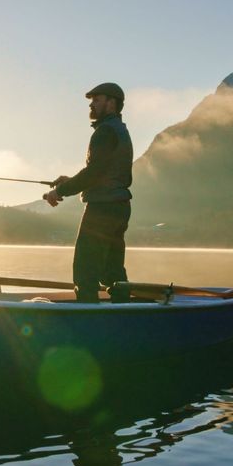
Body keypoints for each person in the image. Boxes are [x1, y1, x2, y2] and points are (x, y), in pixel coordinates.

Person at [43, 82, 133, 303]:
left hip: (102, 208)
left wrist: (60, 191)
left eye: (97, 99)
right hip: (119, 207)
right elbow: (102, 171)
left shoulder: (105, 132)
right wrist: (70, 181)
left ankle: (87, 313)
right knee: (112, 269)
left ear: (111, 103)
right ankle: (124, 313)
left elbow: (93, 172)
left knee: (86, 267)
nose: (91, 105)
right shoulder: (119, 130)